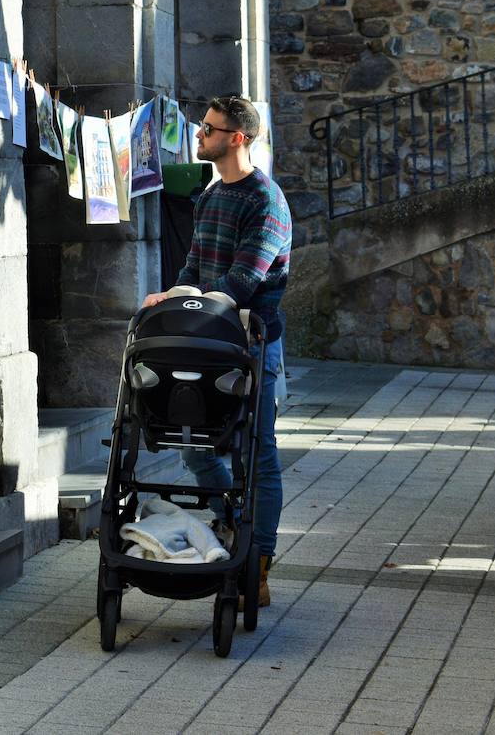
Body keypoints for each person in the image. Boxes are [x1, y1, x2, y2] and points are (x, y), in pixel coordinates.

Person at [140, 95, 292, 606]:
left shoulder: (264, 200)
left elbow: (244, 280)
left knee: (258, 452)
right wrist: (171, 296)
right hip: (204, 341)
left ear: (237, 138)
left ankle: (260, 562)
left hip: (253, 344)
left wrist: (200, 303)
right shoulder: (209, 195)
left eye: (208, 129)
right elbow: (194, 266)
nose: (199, 135)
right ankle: (233, 524)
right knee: (190, 442)